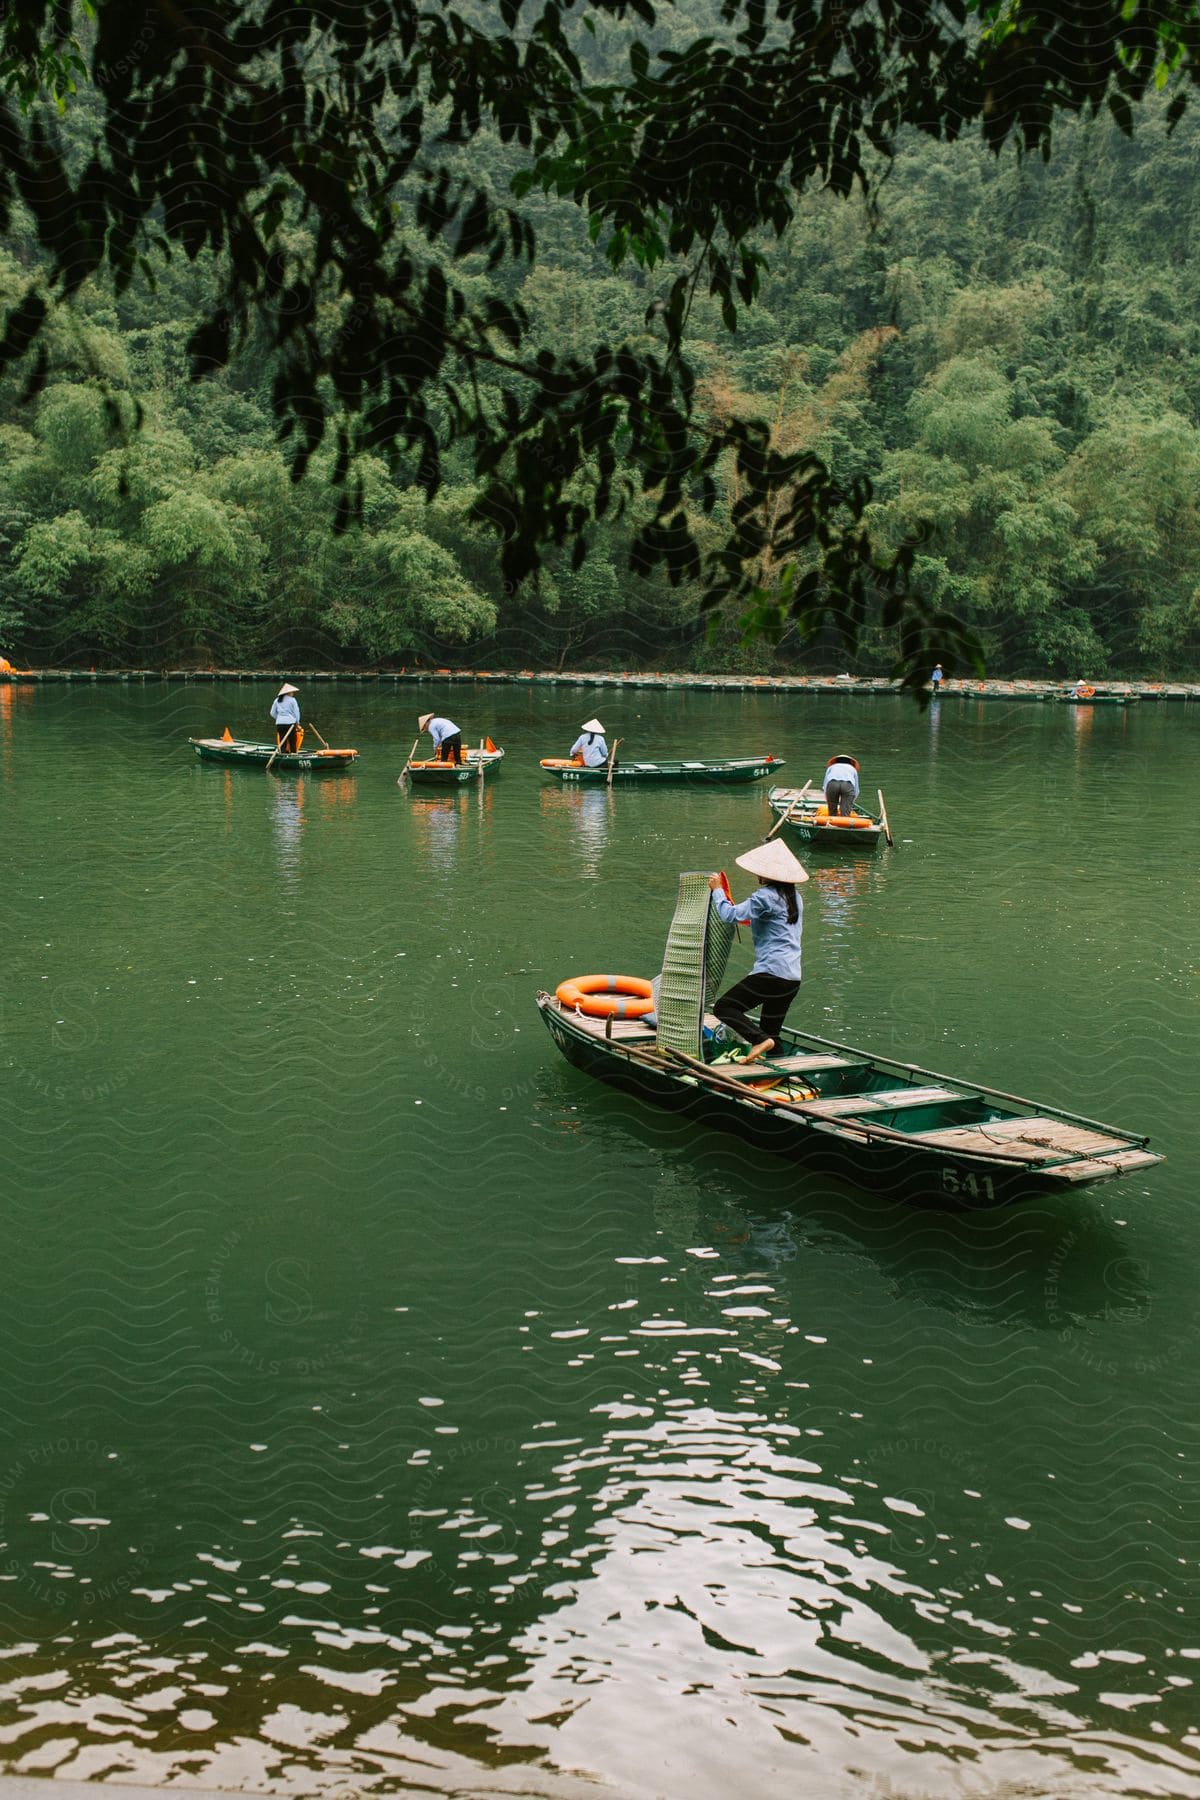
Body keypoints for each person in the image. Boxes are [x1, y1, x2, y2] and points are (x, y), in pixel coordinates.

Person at [708, 840, 808, 1063]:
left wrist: (717, 892)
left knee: (725, 1007)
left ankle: (758, 1040)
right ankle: (778, 1071)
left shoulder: (764, 896)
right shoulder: (795, 898)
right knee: (771, 1032)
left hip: (771, 974)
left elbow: (729, 915)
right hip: (791, 978)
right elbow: (772, 924)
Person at [823, 753, 860, 818]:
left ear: (836, 761)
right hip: (847, 785)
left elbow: (825, 783)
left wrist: (827, 796)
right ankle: (844, 823)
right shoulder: (852, 769)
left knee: (832, 807)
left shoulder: (831, 767)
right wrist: (852, 800)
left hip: (832, 784)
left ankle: (832, 822)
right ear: (850, 762)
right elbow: (856, 788)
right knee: (845, 810)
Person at [270, 682, 301, 751]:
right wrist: (297, 723)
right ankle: (293, 755)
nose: (293, 693)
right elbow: (297, 713)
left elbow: (272, 713)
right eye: (292, 692)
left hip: (280, 724)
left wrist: (279, 718)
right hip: (290, 724)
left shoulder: (277, 700)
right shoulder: (292, 700)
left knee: (282, 741)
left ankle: (283, 754)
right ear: (288, 692)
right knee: (292, 741)